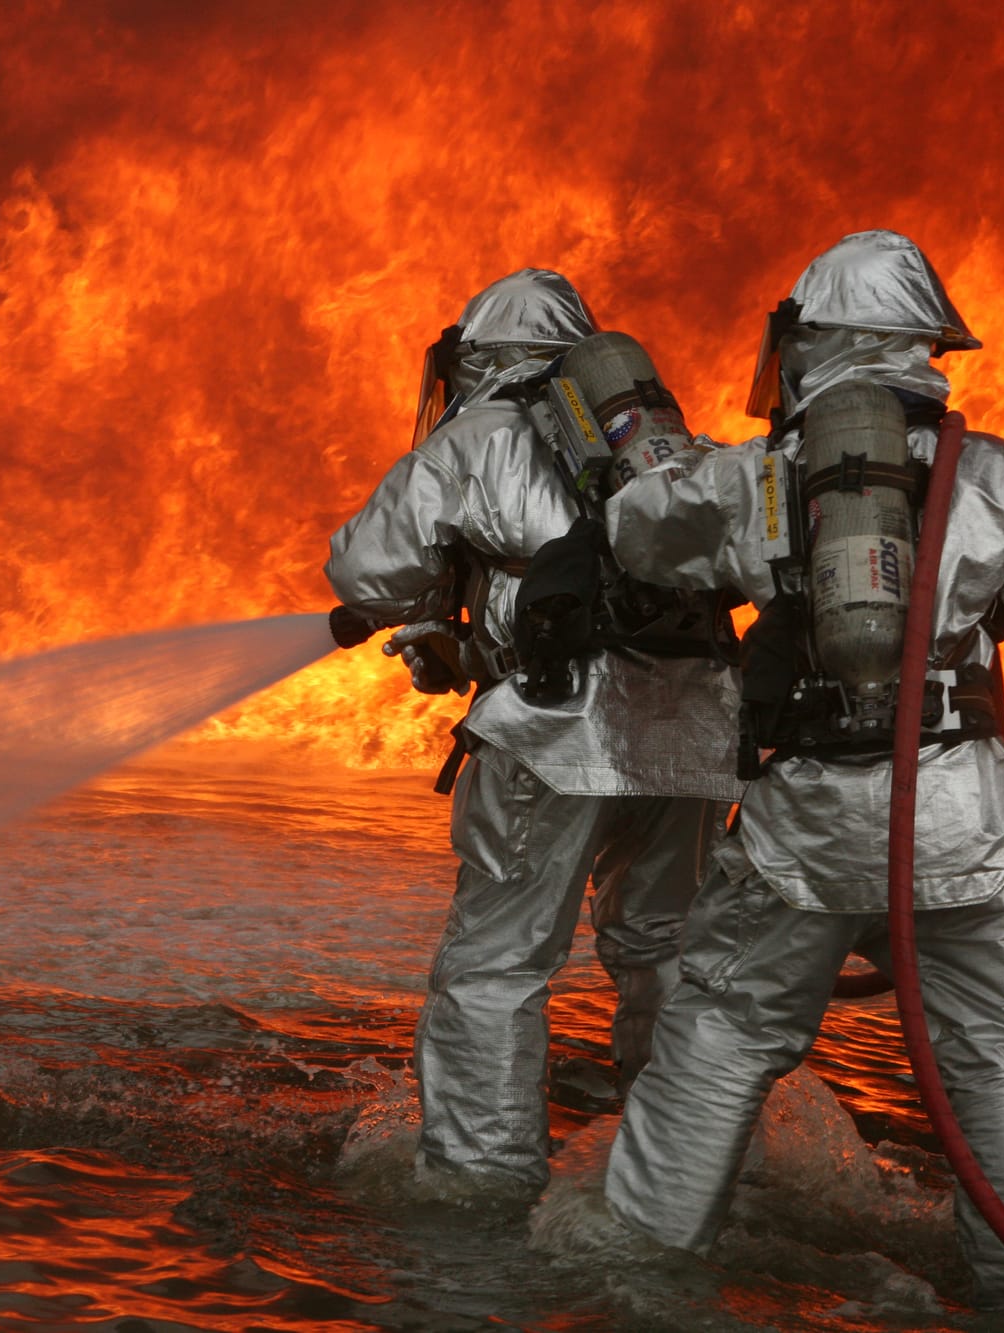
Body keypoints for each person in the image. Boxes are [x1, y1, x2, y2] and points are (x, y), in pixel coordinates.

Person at [598, 231, 1004, 1308]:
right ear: (926, 343)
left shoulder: (757, 476)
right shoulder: (998, 471)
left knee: (719, 1038)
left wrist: (651, 457)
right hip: (965, 814)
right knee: (998, 1063)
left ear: (808, 341)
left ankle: (634, 1271)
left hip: (807, 827)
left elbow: (640, 538)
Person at [323, 269, 742, 1198]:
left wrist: (439, 617)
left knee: (497, 963)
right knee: (666, 952)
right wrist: (468, 644)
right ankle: (681, 1178)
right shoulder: (664, 449)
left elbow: (362, 568)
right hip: (695, 733)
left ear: (476, 357)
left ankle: (481, 1183)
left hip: (555, 735)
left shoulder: (475, 437)